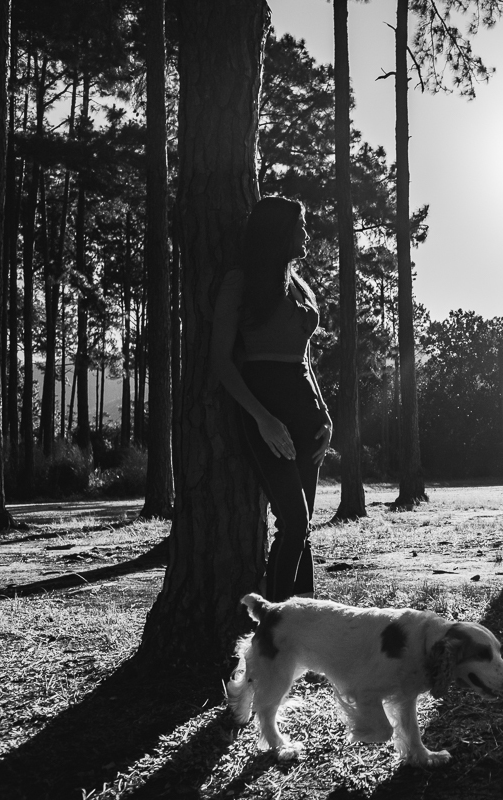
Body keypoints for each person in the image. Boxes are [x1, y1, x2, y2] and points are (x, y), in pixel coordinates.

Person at [212, 196, 333, 601]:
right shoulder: (241, 282)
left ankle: (306, 619)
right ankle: (274, 626)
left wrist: (325, 415)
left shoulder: (300, 285)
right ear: (279, 233)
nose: (306, 234)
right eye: (300, 227)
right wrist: (262, 419)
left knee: (303, 528)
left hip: (307, 414)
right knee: (294, 523)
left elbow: (305, 358)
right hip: (266, 412)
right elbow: (221, 362)